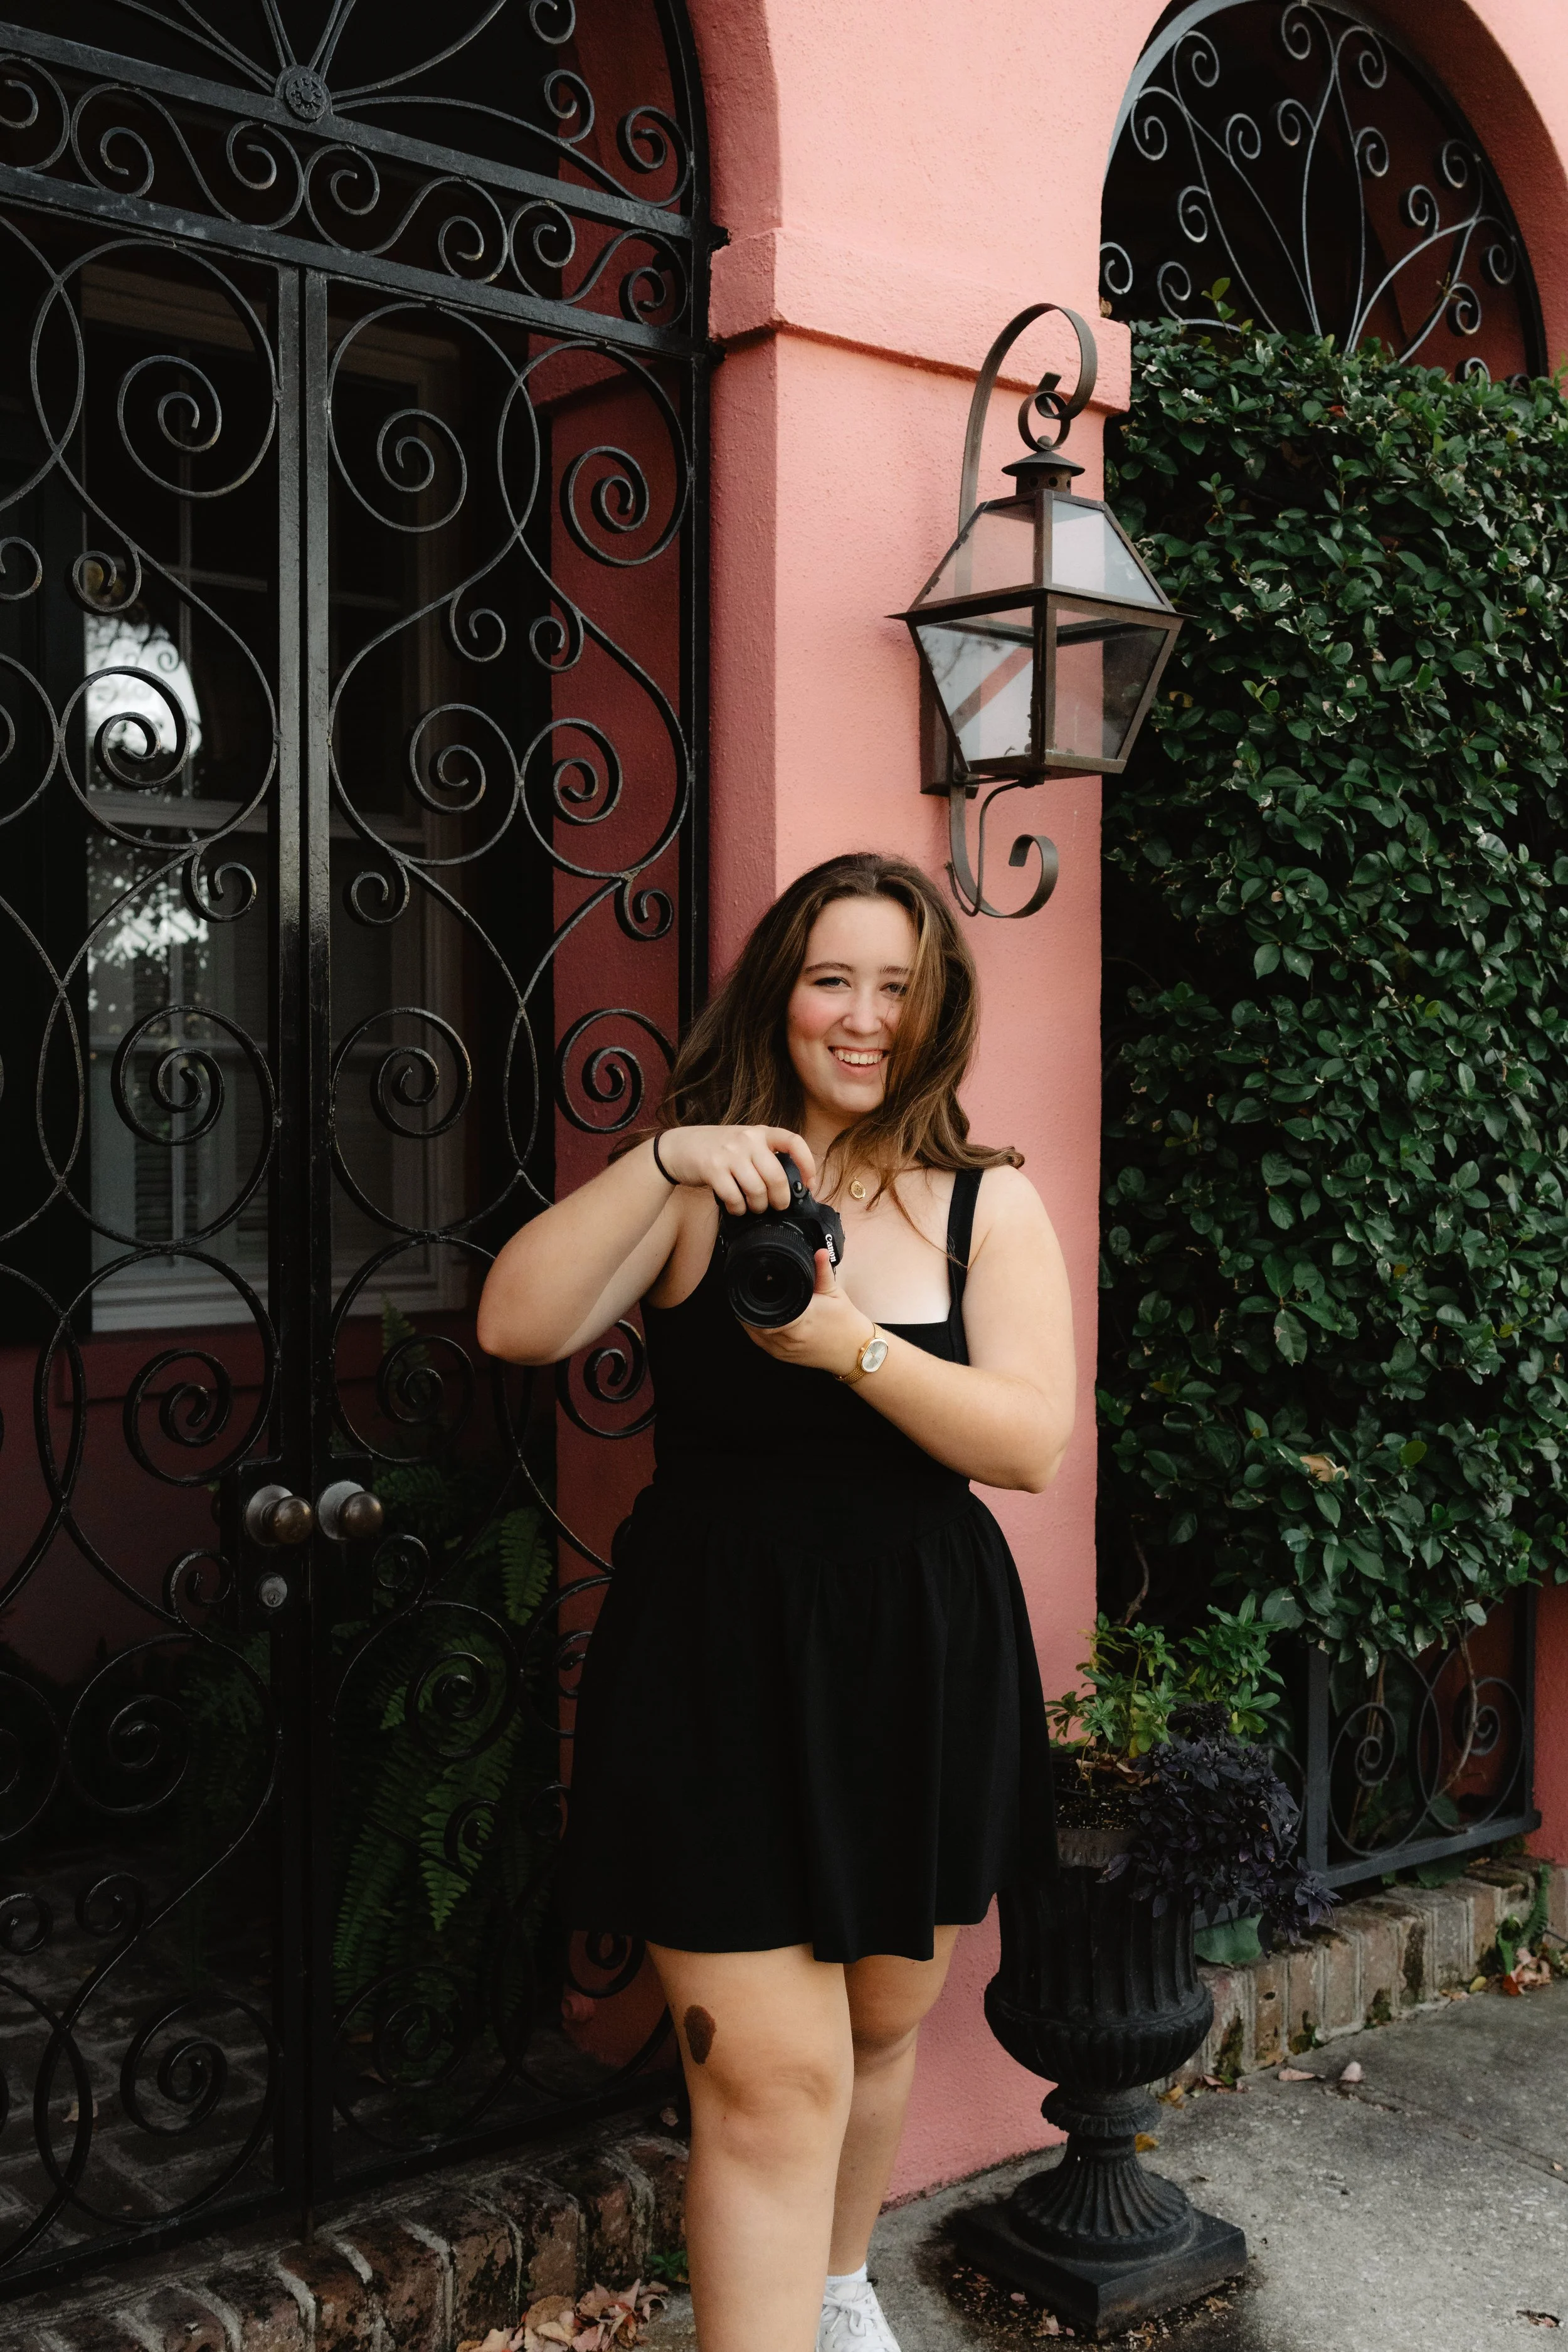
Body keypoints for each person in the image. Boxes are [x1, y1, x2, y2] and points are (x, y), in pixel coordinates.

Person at [477, 851, 1075, 2352]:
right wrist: (666, 1159)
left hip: (917, 1656)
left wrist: (844, 1346)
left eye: (897, 985)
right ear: (779, 995)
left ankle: (829, 2287)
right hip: (717, 1661)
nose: (861, 1017)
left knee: (876, 2025)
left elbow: (1026, 1441)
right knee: (770, 2079)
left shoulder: (982, 1203)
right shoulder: (702, 1184)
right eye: (831, 979)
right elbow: (517, 1319)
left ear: (934, 1011)